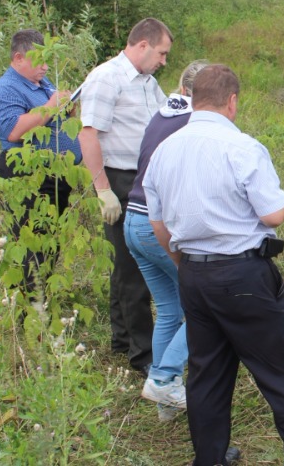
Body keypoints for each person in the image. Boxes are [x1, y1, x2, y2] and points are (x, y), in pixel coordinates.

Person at [143, 65, 284, 466]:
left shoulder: (166, 149)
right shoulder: (242, 147)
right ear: (232, 102)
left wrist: (183, 264)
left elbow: (157, 222)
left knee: (206, 375)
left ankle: (210, 459)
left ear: (193, 99)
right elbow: (274, 215)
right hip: (244, 273)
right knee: (282, 372)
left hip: (194, 275)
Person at [79, 17, 172, 373]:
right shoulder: (108, 78)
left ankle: (121, 340)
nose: (163, 60)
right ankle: (142, 354)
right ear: (143, 45)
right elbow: (88, 135)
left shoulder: (147, 82)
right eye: (161, 53)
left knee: (124, 262)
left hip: (142, 178)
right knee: (135, 267)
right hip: (120, 178)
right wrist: (103, 190)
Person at [124, 60, 208, 422]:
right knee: (204, 307)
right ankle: (163, 376)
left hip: (132, 219)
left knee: (170, 310)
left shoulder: (163, 113)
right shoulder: (196, 122)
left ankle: (165, 402)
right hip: (156, 224)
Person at [0, 29, 81, 301]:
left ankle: (43, 299)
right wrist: (51, 106)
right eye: (39, 60)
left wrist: (67, 108)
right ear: (18, 58)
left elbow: (51, 117)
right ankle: (31, 309)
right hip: (26, 173)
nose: (45, 66)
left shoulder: (42, 83)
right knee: (30, 243)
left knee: (50, 241)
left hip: (56, 175)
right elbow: (14, 130)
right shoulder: (4, 90)